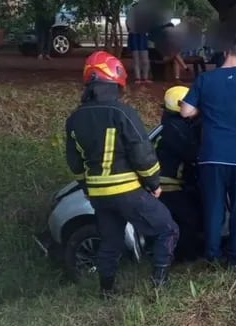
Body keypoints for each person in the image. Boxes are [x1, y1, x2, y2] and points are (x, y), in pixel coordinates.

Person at [65, 51, 179, 298]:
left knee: (110, 242)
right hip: (127, 191)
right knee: (167, 229)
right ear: (114, 82)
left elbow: (74, 162)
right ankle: (159, 287)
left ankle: (106, 292)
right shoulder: (122, 112)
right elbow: (142, 152)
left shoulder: (74, 119)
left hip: (98, 194)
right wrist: (153, 182)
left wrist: (87, 186)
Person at [180, 38, 236, 267]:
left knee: (213, 207)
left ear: (226, 52)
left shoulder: (205, 78)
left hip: (212, 156)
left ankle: (212, 255)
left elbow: (185, 111)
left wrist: (204, 108)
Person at [155, 86, 203, 262]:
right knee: (188, 220)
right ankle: (186, 259)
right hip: (169, 185)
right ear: (180, 105)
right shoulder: (176, 129)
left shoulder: (171, 125)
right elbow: (192, 154)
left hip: (171, 183)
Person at [126, 1, 151, 84]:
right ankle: (138, 78)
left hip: (142, 37)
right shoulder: (130, 17)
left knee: (145, 59)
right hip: (134, 37)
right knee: (136, 58)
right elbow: (129, 27)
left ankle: (145, 78)